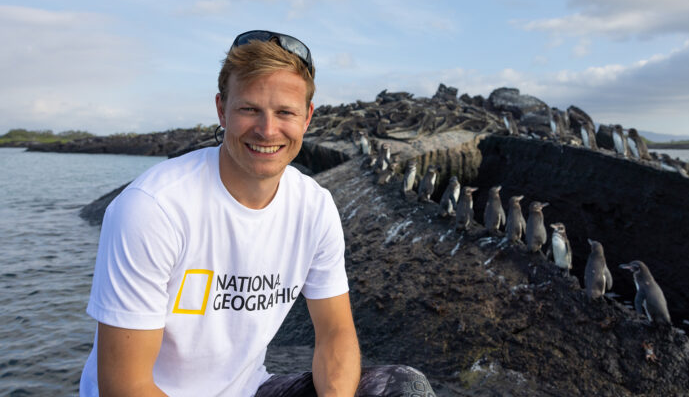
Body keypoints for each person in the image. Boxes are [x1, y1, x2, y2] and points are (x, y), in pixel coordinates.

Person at [80, 30, 435, 396]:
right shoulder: (153, 208)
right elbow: (125, 385)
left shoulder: (313, 207)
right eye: (249, 109)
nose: (267, 131)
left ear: (308, 117)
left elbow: (335, 334)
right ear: (221, 109)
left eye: (285, 112)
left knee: (405, 387)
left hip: (247, 389)